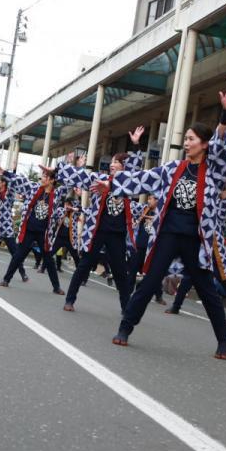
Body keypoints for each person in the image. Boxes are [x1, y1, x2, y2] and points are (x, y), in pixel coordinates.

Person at [103, 85, 226, 359]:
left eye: (191, 139)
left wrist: (225, 113)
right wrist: (109, 183)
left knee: (207, 291)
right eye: (186, 138)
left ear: (204, 143)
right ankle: (125, 328)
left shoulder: (214, 172)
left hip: (196, 241)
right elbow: (140, 179)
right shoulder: (172, 169)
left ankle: (223, 342)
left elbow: (222, 147)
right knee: (150, 281)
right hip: (168, 234)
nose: (186, 142)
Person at [57, 126, 147, 312]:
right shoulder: (99, 179)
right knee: (84, 265)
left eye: (117, 162)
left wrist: (136, 145)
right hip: (97, 231)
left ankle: (126, 309)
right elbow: (80, 176)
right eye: (112, 161)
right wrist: (59, 169)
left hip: (117, 234)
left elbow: (137, 170)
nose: (112, 164)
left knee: (120, 272)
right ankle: (70, 299)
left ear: (124, 167)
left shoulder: (128, 185)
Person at [0, 164, 68, 293]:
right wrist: (6, 173)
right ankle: (6, 279)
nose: (42, 178)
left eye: (46, 176)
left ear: (52, 180)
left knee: (48, 259)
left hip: (44, 232)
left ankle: (56, 287)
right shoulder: (35, 188)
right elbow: (21, 180)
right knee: (19, 255)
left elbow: (67, 184)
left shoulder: (57, 194)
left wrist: (56, 170)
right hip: (29, 229)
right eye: (43, 175)